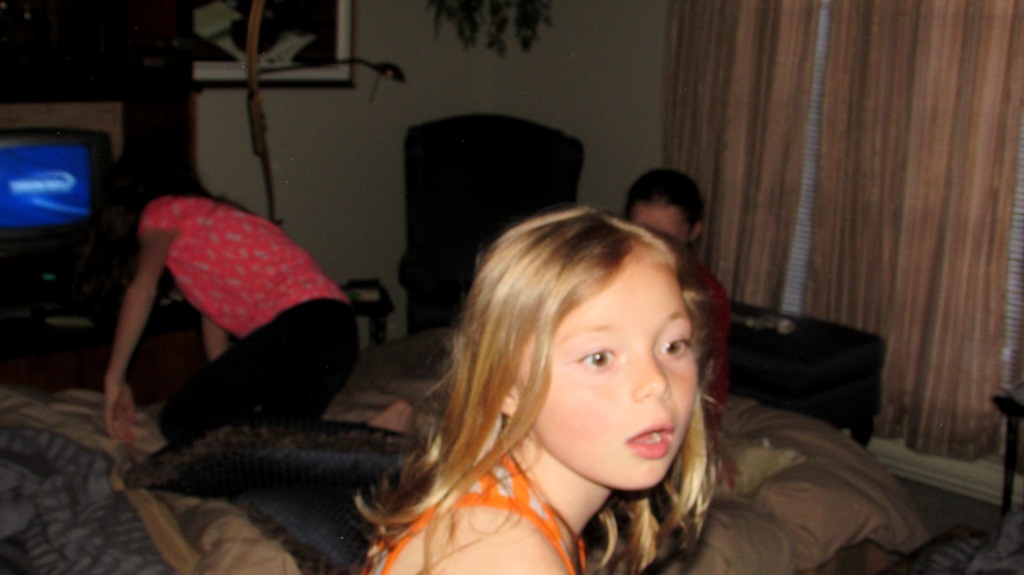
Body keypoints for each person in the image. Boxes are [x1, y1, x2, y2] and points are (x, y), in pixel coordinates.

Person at [359, 206, 714, 575]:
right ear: (505, 384)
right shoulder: (509, 557)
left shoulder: (509, 508)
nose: (656, 382)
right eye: (599, 358)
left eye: (673, 346)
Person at [76, 138, 358, 447]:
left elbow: (143, 289)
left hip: (305, 322)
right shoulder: (214, 218)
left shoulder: (162, 211)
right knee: (276, 440)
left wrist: (114, 379)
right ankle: (369, 435)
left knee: (181, 419)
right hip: (338, 330)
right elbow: (215, 323)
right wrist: (220, 384)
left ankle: (358, 437)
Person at [625, 169, 732, 437]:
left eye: (666, 239)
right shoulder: (608, 275)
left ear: (694, 231)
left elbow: (711, 383)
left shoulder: (706, 296)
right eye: (639, 232)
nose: (650, 246)